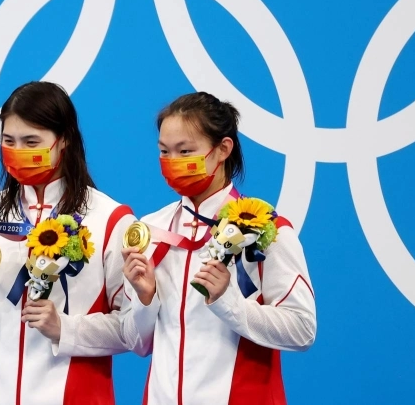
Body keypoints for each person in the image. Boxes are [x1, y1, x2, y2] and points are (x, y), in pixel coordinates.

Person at [121, 92, 316, 405]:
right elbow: (137, 343)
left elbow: (302, 330)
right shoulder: (151, 231)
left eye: (185, 151)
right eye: (164, 152)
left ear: (223, 149)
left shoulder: (266, 230)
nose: (173, 163)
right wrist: (145, 300)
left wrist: (229, 303)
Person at [0, 81, 135, 405]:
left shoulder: (109, 218)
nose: (19, 151)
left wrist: (65, 329)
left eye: (31, 141)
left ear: (63, 141)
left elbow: (134, 332)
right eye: (9, 141)